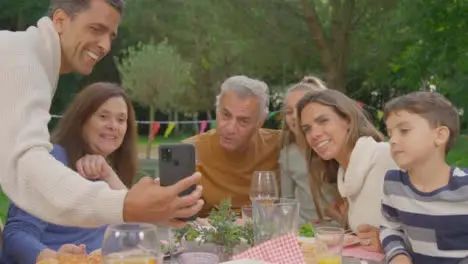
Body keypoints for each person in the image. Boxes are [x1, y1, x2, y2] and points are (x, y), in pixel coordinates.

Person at [0, 0, 203, 227]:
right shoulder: (23, 63)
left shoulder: (29, 59)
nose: (105, 45)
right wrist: (124, 205)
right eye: (96, 29)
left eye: (111, 36)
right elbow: (27, 166)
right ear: (60, 21)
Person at [1, 82, 137, 263]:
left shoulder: (111, 169)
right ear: (82, 120)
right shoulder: (53, 160)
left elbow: (133, 235)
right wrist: (54, 258)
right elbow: (17, 234)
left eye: (121, 120)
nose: (113, 126)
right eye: (103, 116)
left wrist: (109, 175)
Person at [297, 89, 398, 252]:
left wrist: (391, 241)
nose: (314, 134)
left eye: (323, 121)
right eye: (307, 128)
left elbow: (433, 222)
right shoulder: (344, 175)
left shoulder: (388, 157)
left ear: (348, 120)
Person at [380, 92, 468, 264]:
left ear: (440, 136)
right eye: (390, 133)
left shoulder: (464, 187)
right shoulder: (394, 183)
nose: (392, 140)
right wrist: (398, 255)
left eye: (404, 131)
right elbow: (390, 228)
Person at [184, 75, 281, 216]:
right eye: (225, 115)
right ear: (217, 112)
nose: (229, 128)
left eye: (243, 121)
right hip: (212, 234)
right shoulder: (190, 150)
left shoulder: (279, 144)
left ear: (259, 123)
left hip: (265, 233)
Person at [279, 76, 329, 224]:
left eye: (301, 109)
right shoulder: (288, 155)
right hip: (304, 231)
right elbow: (286, 203)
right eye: (288, 112)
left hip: (342, 232)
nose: (294, 116)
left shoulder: (334, 150)